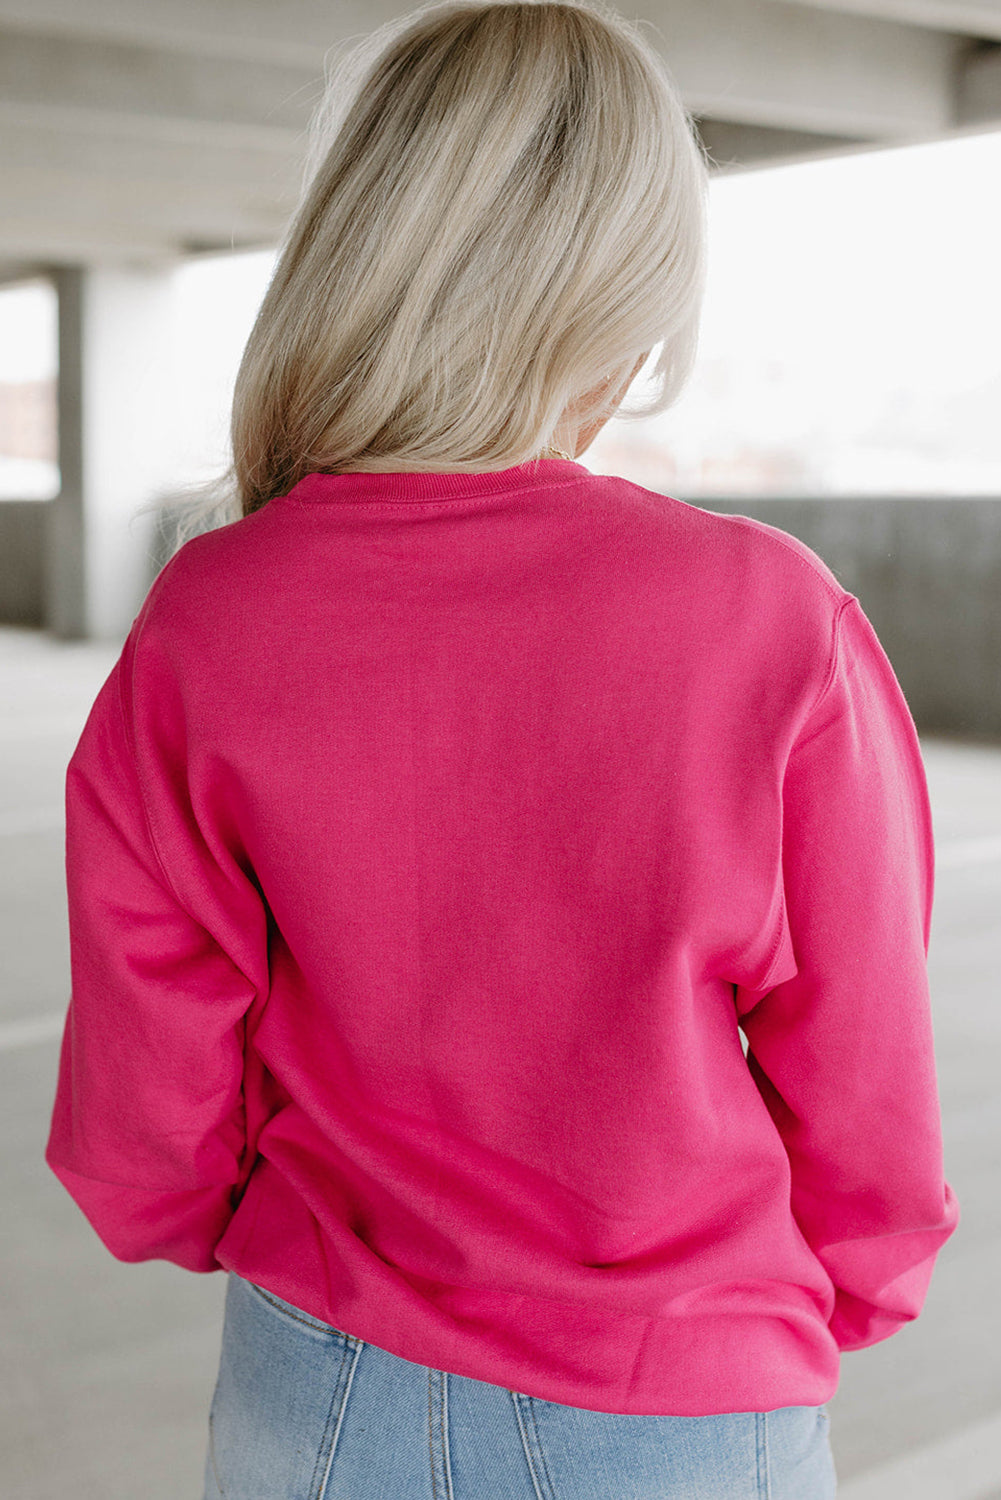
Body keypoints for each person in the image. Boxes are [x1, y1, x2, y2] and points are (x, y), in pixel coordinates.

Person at [45, 2, 959, 1496]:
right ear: (628, 287)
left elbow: (148, 1088)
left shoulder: (211, 614)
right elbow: (861, 1072)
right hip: (679, 1393)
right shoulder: (770, 617)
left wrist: (227, 1225)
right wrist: (839, 1291)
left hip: (317, 1372)